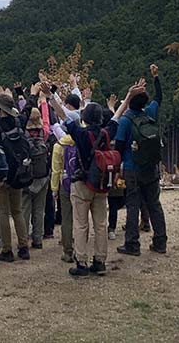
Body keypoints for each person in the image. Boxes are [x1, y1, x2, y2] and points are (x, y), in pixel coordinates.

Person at [48, 80, 145, 277]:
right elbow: (117, 115)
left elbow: (63, 116)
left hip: (82, 183)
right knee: (100, 224)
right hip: (101, 182)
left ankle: (81, 262)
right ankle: (100, 261)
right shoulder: (106, 132)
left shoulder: (81, 134)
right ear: (100, 118)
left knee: (81, 224)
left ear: (84, 117)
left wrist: (50, 97)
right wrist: (128, 96)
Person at [115, 64, 168, 256]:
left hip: (132, 168)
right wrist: (156, 77)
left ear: (129, 103)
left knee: (133, 206)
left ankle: (132, 244)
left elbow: (119, 146)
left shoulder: (126, 121)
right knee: (154, 204)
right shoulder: (150, 113)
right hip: (152, 167)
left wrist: (117, 167)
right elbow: (159, 98)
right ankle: (160, 242)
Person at [0, 93, 30, 262]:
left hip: (3, 174)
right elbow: (28, 108)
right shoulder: (19, 122)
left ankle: (7, 249)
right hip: (19, 173)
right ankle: (23, 247)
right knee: (17, 211)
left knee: (3, 212)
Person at [22, 107, 51, 250]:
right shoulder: (44, 133)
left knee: (25, 210)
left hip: (27, 178)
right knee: (39, 210)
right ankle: (38, 239)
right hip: (43, 177)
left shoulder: (23, 134)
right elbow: (46, 121)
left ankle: (24, 239)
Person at [50, 128, 75, 263]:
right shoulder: (79, 140)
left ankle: (68, 250)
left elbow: (56, 170)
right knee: (81, 219)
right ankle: (82, 248)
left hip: (65, 184)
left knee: (66, 217)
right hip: (80, 183)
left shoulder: (58, 146)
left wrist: (54, 189)